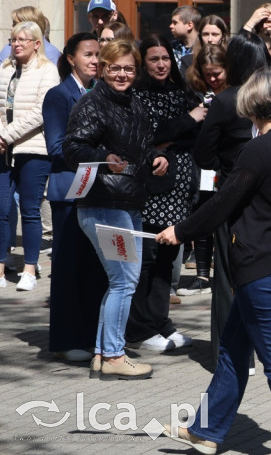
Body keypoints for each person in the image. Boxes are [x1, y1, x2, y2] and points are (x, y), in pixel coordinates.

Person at [156, 70, 271, 455]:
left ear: (251, 104)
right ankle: (206, 430)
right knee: (232, 351)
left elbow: (223, 202)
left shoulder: (259, 149)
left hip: (264, 266)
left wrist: (179, 231)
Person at [64, 39, 169, 379]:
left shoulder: (134, 102)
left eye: (128, 68)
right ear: (103, 68)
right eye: (115, 67)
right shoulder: (92, 103)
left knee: (120, 281)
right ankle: (113, 355)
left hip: (128, 202)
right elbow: (72, 147)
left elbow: (140, 146)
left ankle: (101, 352)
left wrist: (155, 157)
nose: (122, 74)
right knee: (124, 281)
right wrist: (103, 159)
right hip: (104, 204)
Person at [125, 35, 205, 352]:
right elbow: (150, 136)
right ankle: (141, 329)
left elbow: (192, 137)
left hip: (181, 185)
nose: (161, 64)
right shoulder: (138, 95)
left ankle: (160, 322)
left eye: (166, 58)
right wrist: (186, 122)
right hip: (152, 186)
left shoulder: (181, 91)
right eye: (154, 59)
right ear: (143, 62)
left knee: (168, 255)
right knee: (147, 257)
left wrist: (174, 135)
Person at [45, 33, 107, 360]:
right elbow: (56, 147)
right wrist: (100, 153)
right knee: (69, 266)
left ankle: (92, 334)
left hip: (99, 191)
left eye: (99, 54)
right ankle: (68, 339)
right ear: (71, 58)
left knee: (94, 267)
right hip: (69, 191)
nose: (95, 60)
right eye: (88, 54)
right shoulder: (59, 95)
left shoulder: (102, 93)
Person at [0, 21, 60, 291]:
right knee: (1, 210)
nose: (17, 43)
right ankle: (0, 267)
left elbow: (40, 111)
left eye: (23, 39)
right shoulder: (5, 70)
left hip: (33, 149)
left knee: (30, 210)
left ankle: (29, 269)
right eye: (13, 39)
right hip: (3, 149)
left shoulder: (47, 71)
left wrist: (6, 135)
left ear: (37, 43)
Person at [177, 43, 228, 298]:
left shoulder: (233, 93)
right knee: (203, 210)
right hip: (202, 161)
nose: (212, 78)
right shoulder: (193, 92)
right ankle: (201, 274)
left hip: (226, 161)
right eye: (207, 73)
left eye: (217, 72)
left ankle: (224, 272)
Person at [169, 6, 202, 70]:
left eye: (175, 23)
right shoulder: (172, 47)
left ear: (189, 25)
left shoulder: (203, 48)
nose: (171, 26)